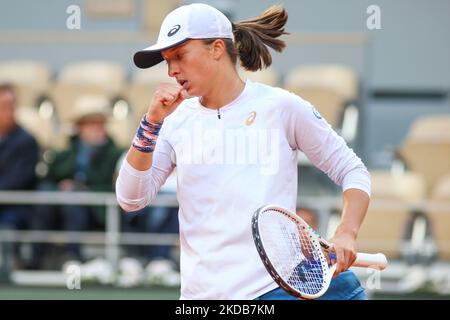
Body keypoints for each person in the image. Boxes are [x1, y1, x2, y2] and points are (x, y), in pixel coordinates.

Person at [116, 3, 371, 300]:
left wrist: (346, 232)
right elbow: (130, 199)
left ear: (216, 49)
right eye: (167, 61)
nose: (172, 70)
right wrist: (151, 124)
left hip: (277, 289)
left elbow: (352, 170)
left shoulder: (281, 107)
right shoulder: (173, 122)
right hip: (203, 297)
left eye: (179, 56)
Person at [29, 96, 123, 269]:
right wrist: (63, 184)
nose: (97, 128)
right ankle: (36, 255)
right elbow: (49, 175)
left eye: (100, 123)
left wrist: (81, 188)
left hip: (94, 211)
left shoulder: (115, 153)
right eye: (90, 123)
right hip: (59, 208)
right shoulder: (68, 151)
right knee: (44, 192)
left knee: (74, 198)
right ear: (79, 128)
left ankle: (73, 256)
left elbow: (115, 186)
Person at [0, 83, 39, 267]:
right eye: (3, 107)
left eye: (11, 106)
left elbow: (20, 179)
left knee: (8, 224)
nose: (8, 112)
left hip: (13, 206)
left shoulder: (26, 141)